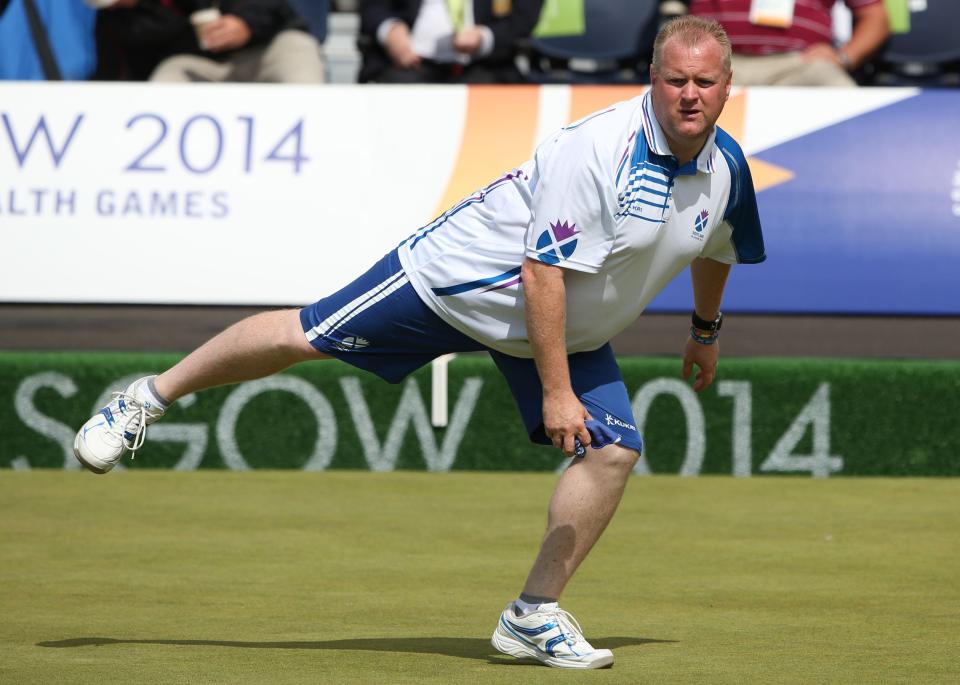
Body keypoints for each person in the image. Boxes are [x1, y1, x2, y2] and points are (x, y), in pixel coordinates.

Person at [74, 16, 764, 669]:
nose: (690, 95)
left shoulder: (729, 167)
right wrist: (556, 392)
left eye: (704, 83)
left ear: (728, 86)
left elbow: (716, 244)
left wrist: (705, 330)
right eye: (676, 80)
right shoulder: (597, 149)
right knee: (305, 333)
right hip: (458, 281)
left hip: (567, 326)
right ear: (652, 77)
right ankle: (144, 397)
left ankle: (533, 612)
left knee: (614, 450)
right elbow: (541, 273)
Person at [94, 0, 325, 83]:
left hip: (265, 48)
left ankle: (316, 144)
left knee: (298, 48)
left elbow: (282, 10)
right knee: (169, 75)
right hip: (207, 64)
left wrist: (247, 24)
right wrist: (140, 8)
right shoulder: (117, 18)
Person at [686, 0, 889, 86]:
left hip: (801, 64)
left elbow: (876, 17)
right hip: (716, 62)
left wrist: (844, 57)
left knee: (846, 98)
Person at [358, 0, 543, 83]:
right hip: (409, 64)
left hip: (485, 67)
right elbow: (373, 7)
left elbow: (524, 17)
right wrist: (390, 30)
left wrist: (485, 37)